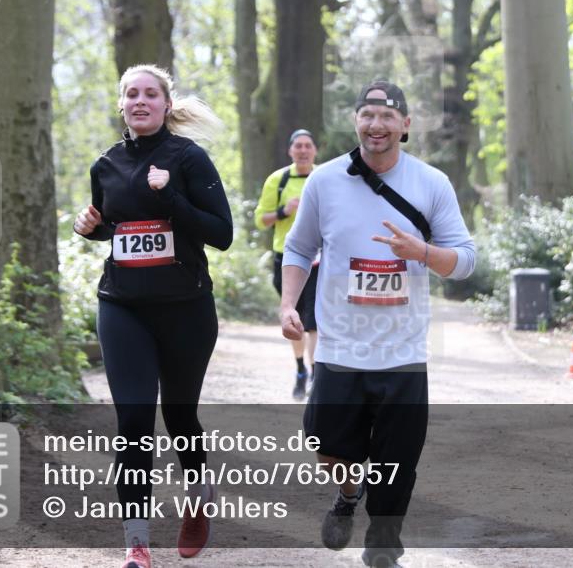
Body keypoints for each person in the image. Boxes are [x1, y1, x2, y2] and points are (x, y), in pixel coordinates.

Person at [279, 80, 476, 568]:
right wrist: (288, 304)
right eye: (367, 114)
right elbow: (300, 247)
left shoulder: (431, 183)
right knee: (325, 446)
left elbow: (467, 261)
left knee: (398, 462)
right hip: (341, 347)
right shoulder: (324, 181)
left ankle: (383, 544)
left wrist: (422, 252)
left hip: (403, 350)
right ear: (356, 123)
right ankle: (348, 493)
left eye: (388, 116)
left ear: (405, 125)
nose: (376, 124)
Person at [73, 64, 232, 568]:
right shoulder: (106, 165)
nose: (140, 101)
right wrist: (91, 228)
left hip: (186, 308)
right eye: (131, 94)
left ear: (166, 104)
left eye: (150, 94)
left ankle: (198, 497)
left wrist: (172, 196)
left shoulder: (189, 158)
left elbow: (221, 234)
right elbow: (114, 226)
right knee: (135, 420)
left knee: (179, 414)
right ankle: (137, 545)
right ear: (121, 104)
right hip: (122, 306)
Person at [253, 129, 320, 399]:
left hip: (320, 257)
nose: (303, 150)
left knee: (316, 321)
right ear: (290, 151)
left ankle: (316, 373)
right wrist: (284, 211)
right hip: (287, 258)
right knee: (295, 319)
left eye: (308, 145)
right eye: (298, 146)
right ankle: (300, 368)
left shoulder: (324, 177)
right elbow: (260, 220)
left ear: (315, 150)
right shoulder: (278, 180)